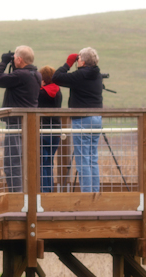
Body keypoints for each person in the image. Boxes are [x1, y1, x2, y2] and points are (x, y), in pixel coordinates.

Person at [52, 47, 103, 192]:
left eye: (78, 59)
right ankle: (95, 194)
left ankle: (87, 196)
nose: (76, 61)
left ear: (83, 61)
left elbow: (56, 78)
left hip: (82, 119)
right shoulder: (97, 75)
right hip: (97, 119)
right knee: (92, 158)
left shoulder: (80, 75)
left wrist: (67, 64)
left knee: (82, 160)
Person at [0, 45, 41, 192]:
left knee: (12, 163)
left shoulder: (21, 75)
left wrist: (3, 63)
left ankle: (17, 197)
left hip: (16, 124)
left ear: (19, 59)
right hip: (29, 123)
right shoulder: (35, 74)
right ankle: (26, 195)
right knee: (25, 161)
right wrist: (12, 64)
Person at [37, 66, 62, 193]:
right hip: (56, 131)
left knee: (41, 163)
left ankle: (43, 193)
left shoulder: (40, 93)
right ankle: (50, 191)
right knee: (49, 163)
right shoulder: (58, 91)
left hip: (42, 131)